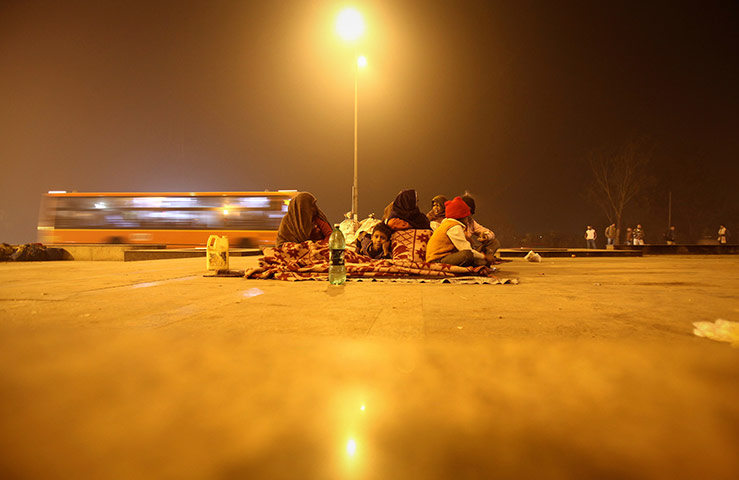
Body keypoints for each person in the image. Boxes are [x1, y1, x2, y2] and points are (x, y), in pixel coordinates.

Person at [426, 196, 493, 267]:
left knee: (479, 253)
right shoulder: (453, 227)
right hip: (438, 259)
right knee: (467, 255)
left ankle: (480, 263)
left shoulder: (449, 223)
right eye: (467, 216)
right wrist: (484, 257)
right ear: (462, 217)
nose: (468, 219)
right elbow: (466, 249)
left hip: (448, 256)